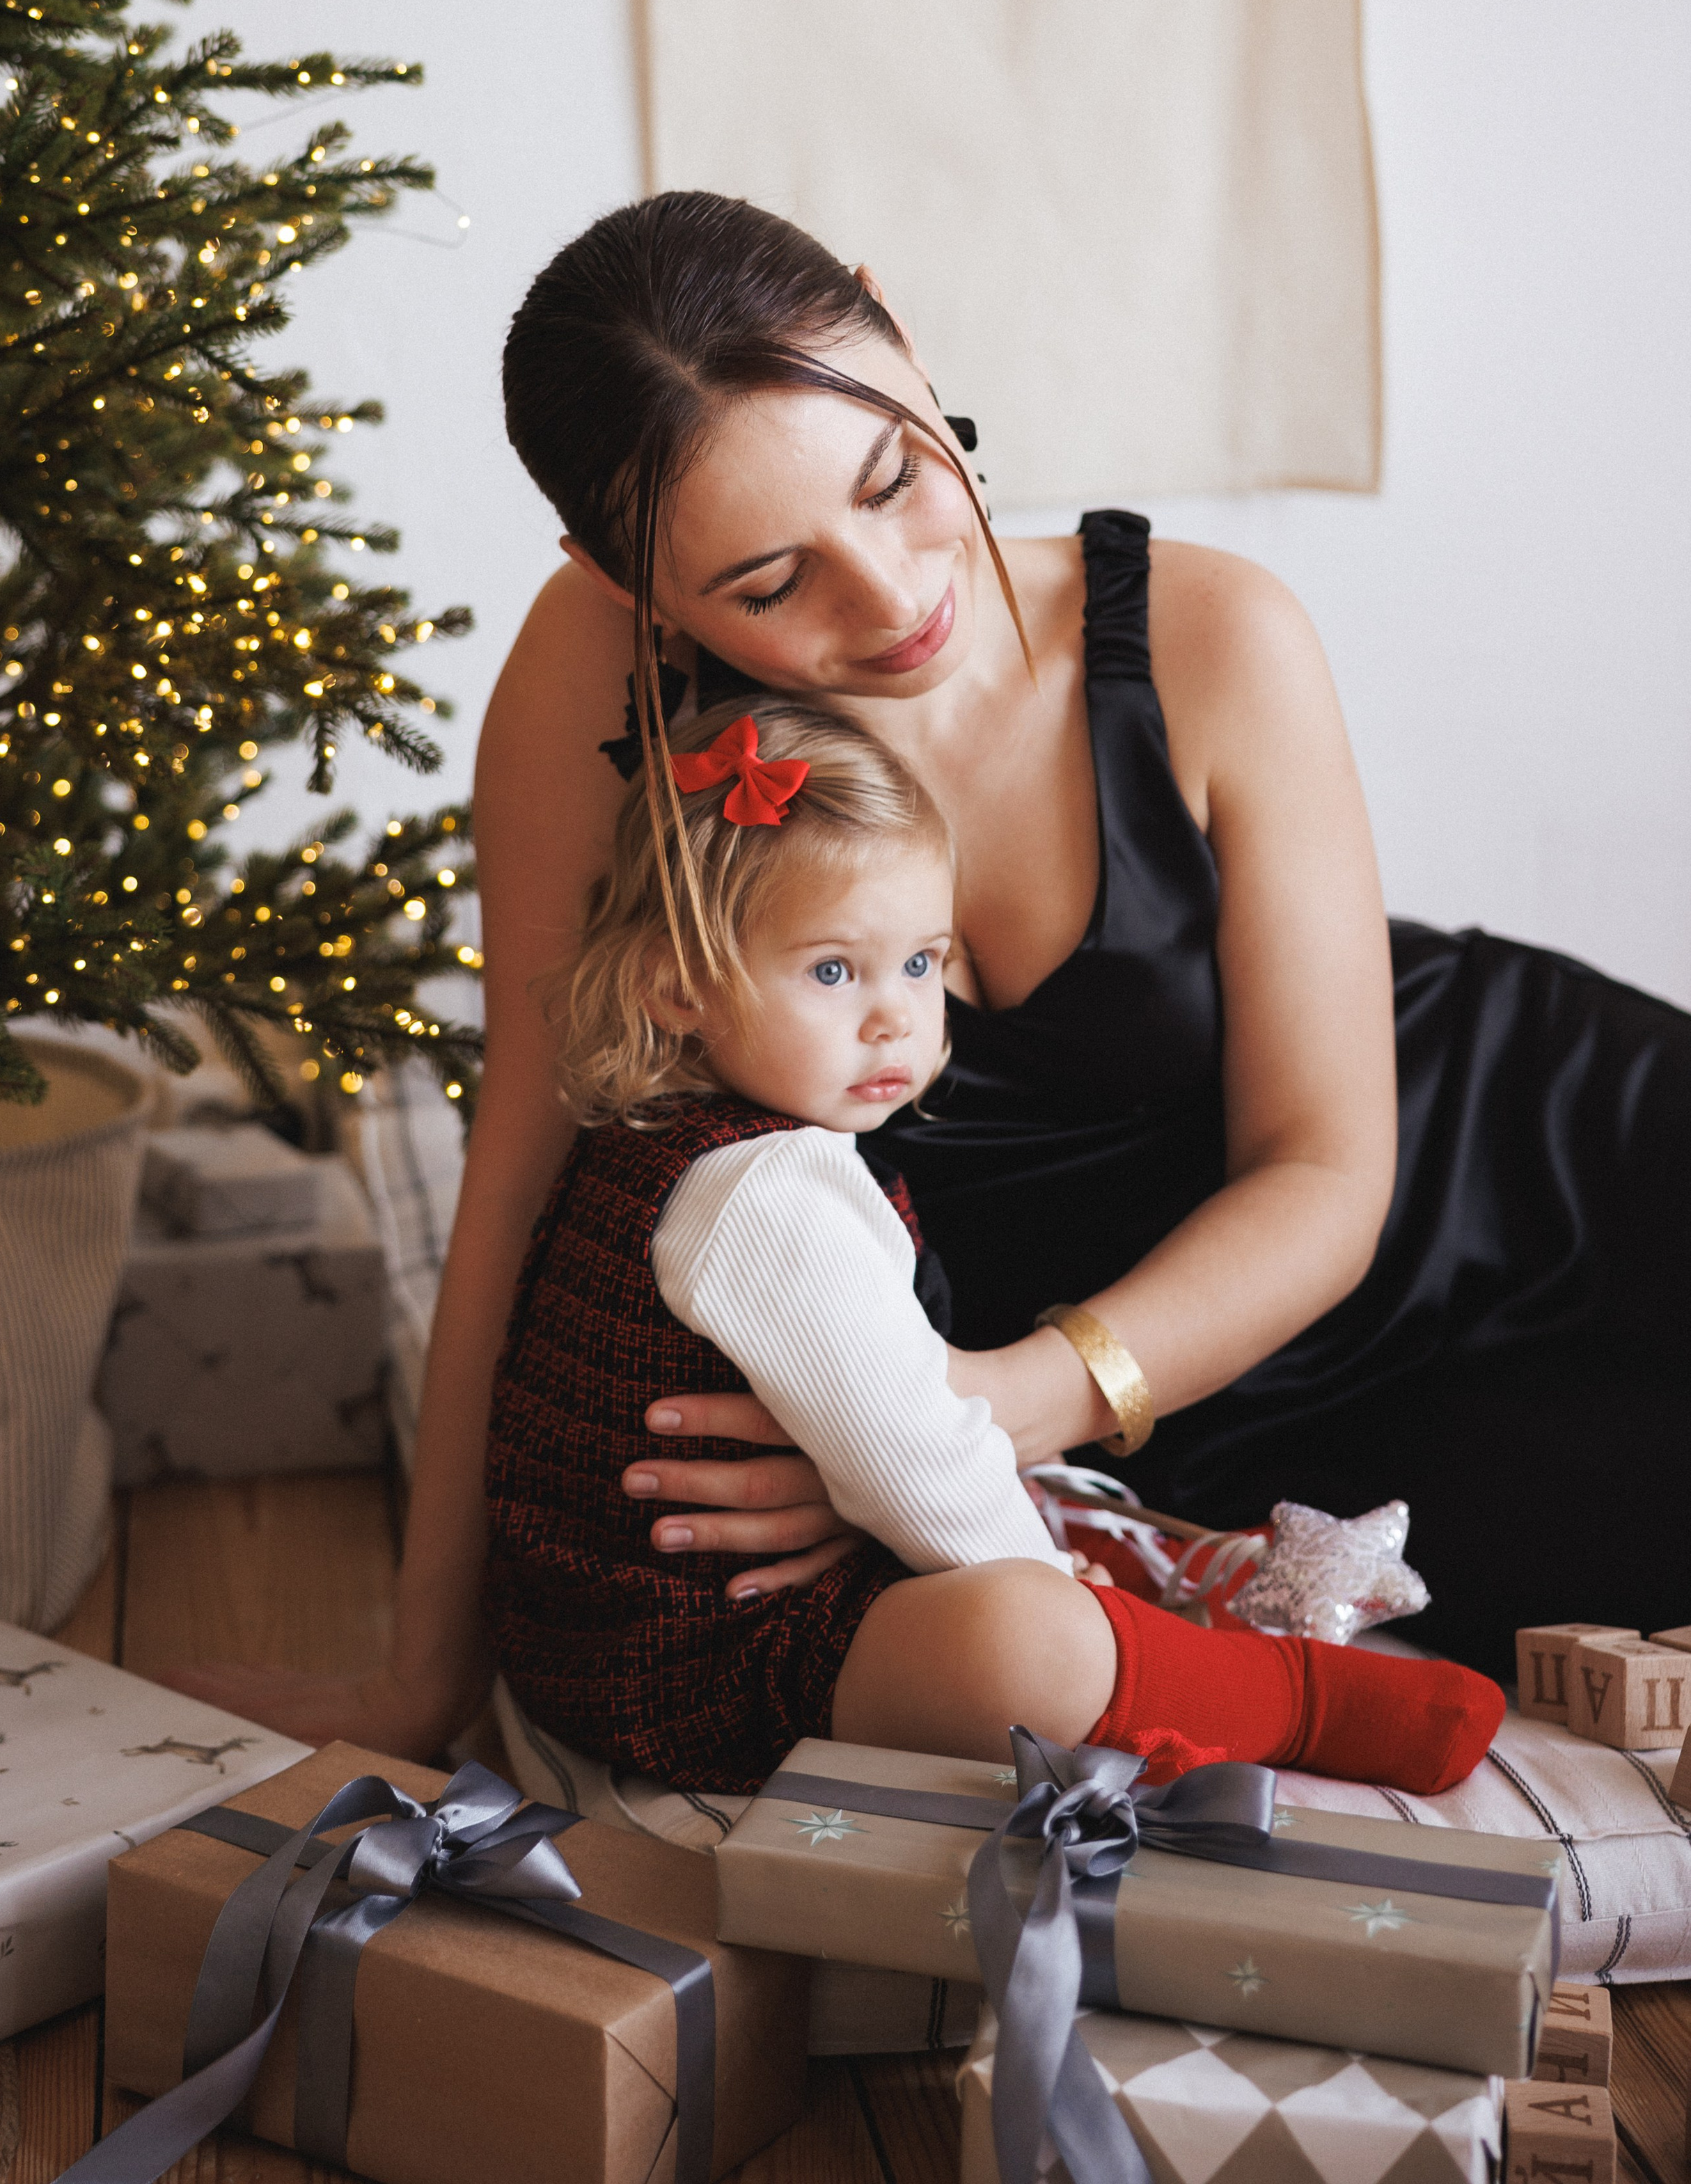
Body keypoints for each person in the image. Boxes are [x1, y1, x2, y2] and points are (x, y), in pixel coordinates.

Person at [167, 189, 1691, 1753]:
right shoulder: (590, 686)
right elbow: (521, 1163)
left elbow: (1324, 1169)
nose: (894, 596)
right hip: (1204, 1437)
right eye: (768, 585)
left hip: (1493, 1145)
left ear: (893, 327)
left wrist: (989, 1407)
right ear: (623, 582)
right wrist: (423, 1674)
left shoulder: (1213, 631)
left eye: (896, 475)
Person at [485, 689, 1502, 1795]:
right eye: (834, 970)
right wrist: (1059, 1598)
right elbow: (916, 1457)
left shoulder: (665, 1138)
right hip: (697, 1654)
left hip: (601, 1633)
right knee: (1022, 1638)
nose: (895, 1017)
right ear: (677, 982)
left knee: (1037, 1519)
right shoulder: (764, 1192)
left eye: (922, 962)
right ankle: (1286, 1697)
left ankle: (1180, 1630)